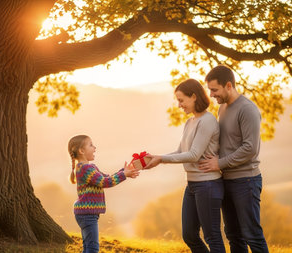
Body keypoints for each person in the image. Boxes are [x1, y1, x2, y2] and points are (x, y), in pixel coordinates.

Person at [144, 79, 225, 253]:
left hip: (208, 184)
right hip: (193, 185)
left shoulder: (208, 121)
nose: (179, 105)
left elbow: (194, 155)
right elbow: (181, 151)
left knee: (212, 237)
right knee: (189, 235)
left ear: (194, 96)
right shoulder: (190, 122)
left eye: (181, 100)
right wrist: (157, 158)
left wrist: (161, 159)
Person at [199, 65, 269, 253]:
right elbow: (226, 142)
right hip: (227, 180)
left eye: (214, 89)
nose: (211, 94)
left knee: (252, 234)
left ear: (228, 85)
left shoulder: (247, 109)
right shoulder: (223, 107)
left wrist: (219, 163)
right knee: (233, 235)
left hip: (246, 181)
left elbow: (250, 148)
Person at [68, 135, 140, 253]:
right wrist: (124, 175)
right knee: (92, 248)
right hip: (87, 215)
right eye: (91, 145)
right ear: (81, 151)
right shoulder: (85, 169)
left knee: (88, 247)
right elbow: (105, 182)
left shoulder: (89, 167)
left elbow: (106, 177)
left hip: (86, 213)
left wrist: (123, 171)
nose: (94, 148)